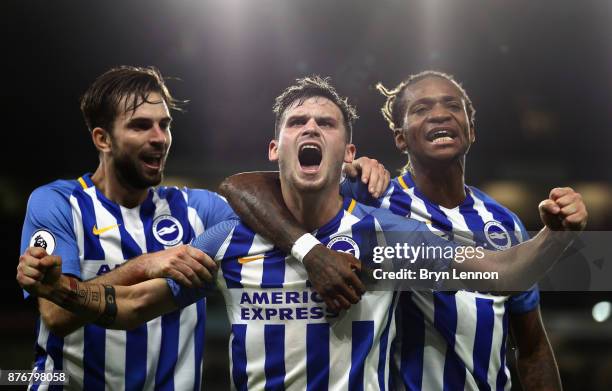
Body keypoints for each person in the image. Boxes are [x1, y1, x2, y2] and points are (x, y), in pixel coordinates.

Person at [18, 76, 587, 390]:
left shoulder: (382, 237)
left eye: (326, 123)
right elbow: (130, 307)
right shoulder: (230, 237)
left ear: (349, 153)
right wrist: (59, 291)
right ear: (276, 149)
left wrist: (554, 237)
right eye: (296, 123)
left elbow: (501, 273)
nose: (310, 128)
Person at [18, 67, 388, 390]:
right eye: (141, 126)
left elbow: (255, 197)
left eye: (165, 125)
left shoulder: (200, 209)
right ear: (102, 139)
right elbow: (56, 315)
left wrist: (349, 179)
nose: (159, 137)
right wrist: (145, 264)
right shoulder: (56, 203)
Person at [217, 71, 580, 390]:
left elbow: (531, 344)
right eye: (421, 109)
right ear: (400, 138)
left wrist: (557, 235)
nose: (439, 113)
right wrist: (313, 248)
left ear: (471, 129)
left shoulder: (503, 222)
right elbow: (248, 188)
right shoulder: (375, 200)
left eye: (452, 105)